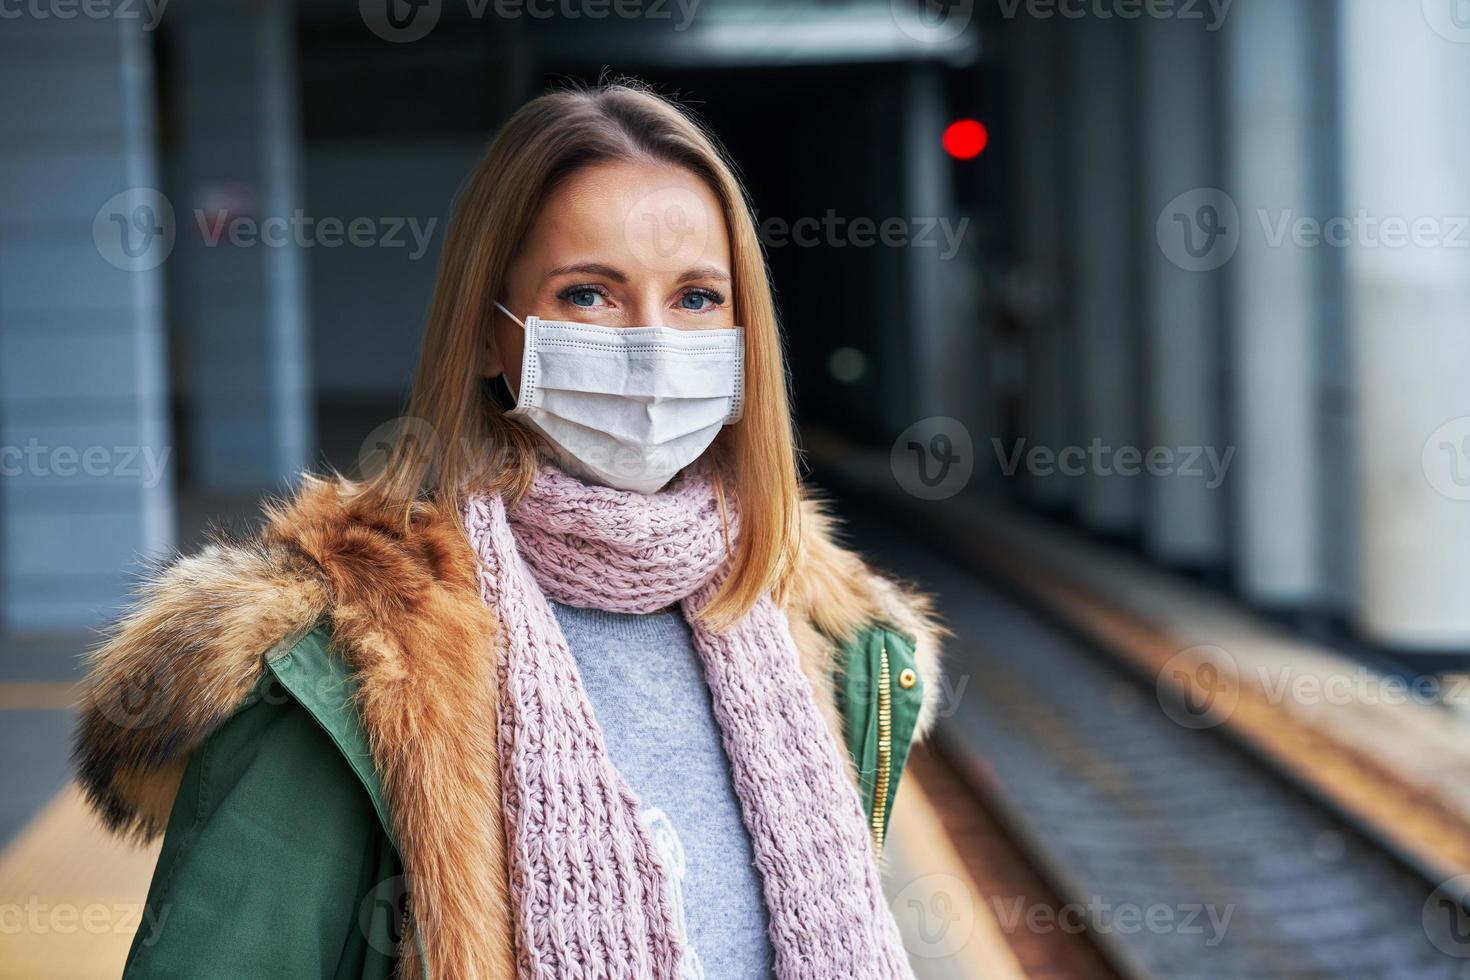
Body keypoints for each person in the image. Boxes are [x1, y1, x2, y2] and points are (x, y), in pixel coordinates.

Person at [74, 80, 942, 980]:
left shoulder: (825, 638)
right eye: (589, 295)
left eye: (693, 299)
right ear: (491, 336)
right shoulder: (345, 659)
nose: (650, 346)